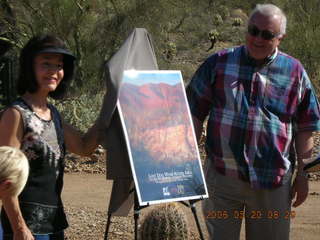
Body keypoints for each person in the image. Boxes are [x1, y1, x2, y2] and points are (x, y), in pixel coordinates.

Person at [186, 4, 320, 240]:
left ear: (280, 38)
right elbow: (193, 113)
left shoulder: (295, 72)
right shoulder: (218, 63)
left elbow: (306, 127)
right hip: (222, 178)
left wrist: (303, 175)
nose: (257, 38)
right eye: (253, 30)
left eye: (267, 35)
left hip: (273, 183)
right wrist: (188, 164)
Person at [0, 34, 102, 240]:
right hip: (25, 228)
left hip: (54, 224)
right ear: (30, 67)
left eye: (59, 65)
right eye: (46, 63)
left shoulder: (53, 113)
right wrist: (19, 228)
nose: (54, 71)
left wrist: (110, 112)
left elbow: (83, 147)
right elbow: (4, 178)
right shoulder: (16, 114)